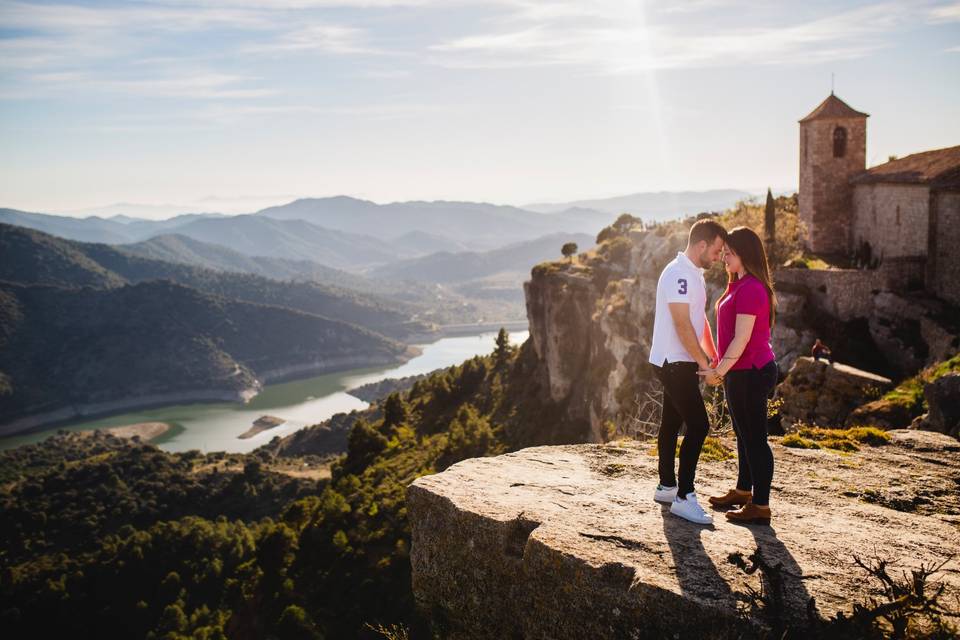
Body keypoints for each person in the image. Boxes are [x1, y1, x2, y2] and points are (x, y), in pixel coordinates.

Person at [649, 218, 727, 525]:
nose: (720, 256)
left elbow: (699, 321)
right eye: (718, 250)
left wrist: (713, 353)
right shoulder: (678, 274)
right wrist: (706, 367)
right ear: (702, 245)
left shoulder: (694, 274)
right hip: (674, 362)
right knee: (699, 426)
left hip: (678, 359)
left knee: (671, 422)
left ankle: (667, 487)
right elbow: (682, 325)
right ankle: (685, 497)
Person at [699, 226, 778, 525]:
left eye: (729, 254)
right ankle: (744, 490)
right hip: (738, 371)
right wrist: (721, 366)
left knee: (755, 439)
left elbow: (742, 339)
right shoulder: (737, 284)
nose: (724, 258)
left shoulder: (753, 289)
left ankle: (760, 505)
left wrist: (718, 371)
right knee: (743, 436)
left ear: (744, 255)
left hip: (753, 372)